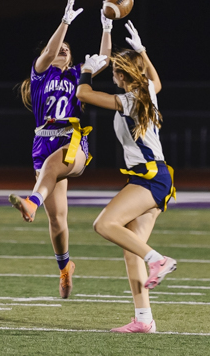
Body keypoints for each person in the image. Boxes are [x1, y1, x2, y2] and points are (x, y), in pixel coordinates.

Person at [76, 20, 177, 333]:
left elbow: (84, 94)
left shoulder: (131, 100)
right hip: (157, 176)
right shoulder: (147, 93)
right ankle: (144, 320)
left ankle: (158, 260)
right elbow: (156, 80)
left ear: (123, 75)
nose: (113, 77)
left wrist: (88, 70)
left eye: (115, 73)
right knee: (130, 246)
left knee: (104, 224)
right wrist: (143, 51)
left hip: (148, 178)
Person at [9, 0, 112, 298]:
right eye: (58, 49)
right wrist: (65, 22)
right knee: (58, 220)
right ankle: (65, 267)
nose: (63, 50)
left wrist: (107, 27)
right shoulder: (40, 74)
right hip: (42, 142)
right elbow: (52, 48)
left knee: (55, 166)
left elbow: (104, 59)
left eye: (68, 48)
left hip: (73, 140)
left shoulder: (77, 74)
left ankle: (31, 202)